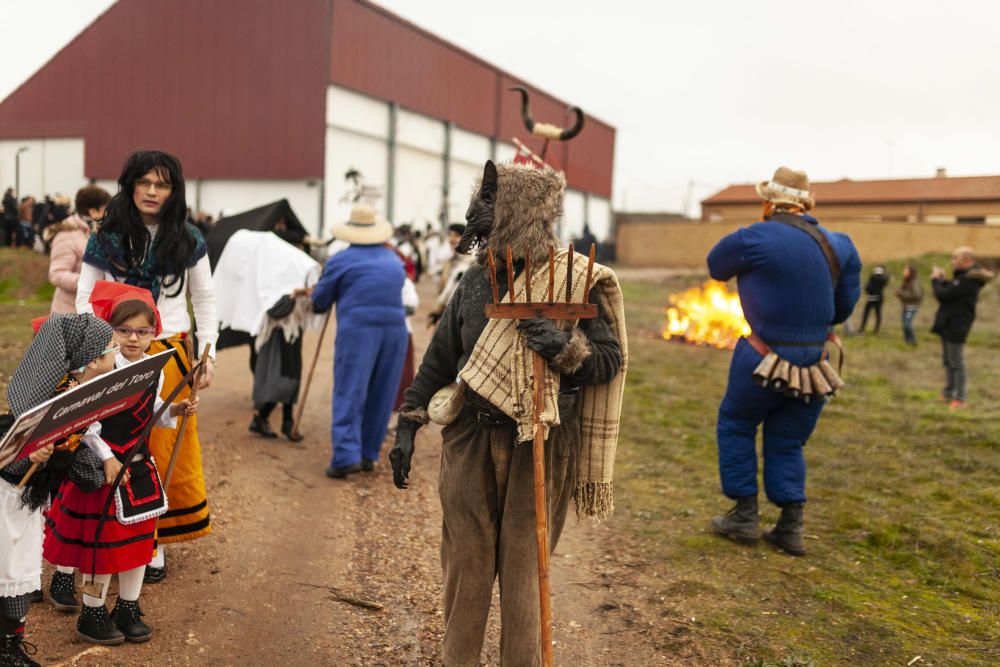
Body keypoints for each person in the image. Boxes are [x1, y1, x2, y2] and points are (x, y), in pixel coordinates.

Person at [389, 160, 627, 665]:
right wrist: (408, 424)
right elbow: (438, 360)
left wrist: (566, 348)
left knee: (525, 571)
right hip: (470, 439)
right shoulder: (475, 284)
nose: (476, 213)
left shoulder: (573, 282)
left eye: (489, 202)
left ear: (517, 211)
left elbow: (609, 361)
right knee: (466, 565)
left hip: (540, 444)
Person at [76, 150, 218, 582]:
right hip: (114, 351)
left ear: (174, 191)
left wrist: (207, 352)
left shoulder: (189, 238)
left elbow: (204, 299)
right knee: (111, 442)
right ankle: (102, 534)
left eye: (162, 184)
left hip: (168, 351)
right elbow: (85, 296)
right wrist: (98, 348)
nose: (152, 192)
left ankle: (151, 538)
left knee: (161, 447)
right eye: (145, 182)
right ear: (131, 184)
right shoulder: (107, 235)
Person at [707, 166, 861, 556]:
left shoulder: (753, 237)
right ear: (806, 203)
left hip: (761, 356)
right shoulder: (840, 244)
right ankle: (790, 526)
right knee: (788, 440)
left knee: (737, 423)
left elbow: (716, 267)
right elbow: (842, 308)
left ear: (768, 202)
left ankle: (744, 516)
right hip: (815, 360)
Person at [44, 282, 196, 644]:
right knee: (103, 546)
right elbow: (89, 423)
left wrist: (174, 409)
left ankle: (128, 607)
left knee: (139, 545)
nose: (133, 338)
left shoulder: (155, 368)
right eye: (124, 330)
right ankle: (92, 613)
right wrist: (109, 459)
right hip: (105, 471)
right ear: (110, 330)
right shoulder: (103, 368)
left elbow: (153, 411)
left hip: (140, 470)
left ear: (153, 333)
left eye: (142, 332)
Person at [0, 314, 117, 667]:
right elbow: (13, 440)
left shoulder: (83, 393)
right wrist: (29, 450)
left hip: (28, 498)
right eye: (112, 347)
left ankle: (9, 648)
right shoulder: (54, 393)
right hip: (8, 492)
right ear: (94, 359)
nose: (116, 353)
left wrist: (101, 467)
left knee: (19, 570)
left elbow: (75, 442)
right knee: (8, 570)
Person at [311, 204, 408, 478]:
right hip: (395, 331)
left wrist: (317, 295)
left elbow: (320, 301)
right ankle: (368, 454)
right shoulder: (393, 259)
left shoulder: (341, 260)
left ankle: (345, 456)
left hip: (359, 331)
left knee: (350, 389)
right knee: (382, 391)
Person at [931, 246, 994, 408]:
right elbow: (951, 292)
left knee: (956, 362)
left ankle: (960, 398)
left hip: (957, 325)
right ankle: (948, 393)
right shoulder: (963, 278)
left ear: (967, 260)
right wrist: (943, 281)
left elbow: (943, 295)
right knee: (948, 361)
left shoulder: (968, 280)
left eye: (955, 257)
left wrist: (936, 281)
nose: (952, 261)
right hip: (949, 323)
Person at [248, 287, 314, 441]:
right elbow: (274, 311)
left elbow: (314, 308)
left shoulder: (300, 283)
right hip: (277, 340)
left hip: (292, 339)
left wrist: (312, 294)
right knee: (281, 383)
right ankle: (261, 418)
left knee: (292, 380)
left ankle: (287, 422)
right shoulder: (272, 284)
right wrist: (291, 297)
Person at [45, 186, 112, 314]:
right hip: (69, 314)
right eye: (106, 208)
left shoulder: (101, 234)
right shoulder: (67, 235)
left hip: (93, 312)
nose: (111, 212)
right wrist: (89, 282)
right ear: (93, 211)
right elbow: (57, 273)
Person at [428, 223, 474, 327]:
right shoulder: (448, 263)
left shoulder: (472, 263)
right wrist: (438, 313)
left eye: (457, 236)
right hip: (448, 314)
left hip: (464, 317)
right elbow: (445, 291)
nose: (452, 239)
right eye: (450, 235)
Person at [895, 264, 923, 346]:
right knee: (904, 324)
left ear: (910, 272)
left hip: (911, 307)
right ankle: (907, 342)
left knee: (907, 324)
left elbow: (917, 295)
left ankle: (913, 342)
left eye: (906, 271)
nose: (903, 272)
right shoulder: (906, 281)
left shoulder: (915, 282)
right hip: (906, 306)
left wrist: (902, 294)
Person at [859, 265, 889, 333]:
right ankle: (876, 329)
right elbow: (886, 281)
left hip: (871, 298)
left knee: (866, 314)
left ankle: (862, 328)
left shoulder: (872, 278)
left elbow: (867, 288)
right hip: (879, 298)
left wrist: (866, 290)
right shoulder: (883, 279)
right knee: (878, 314)